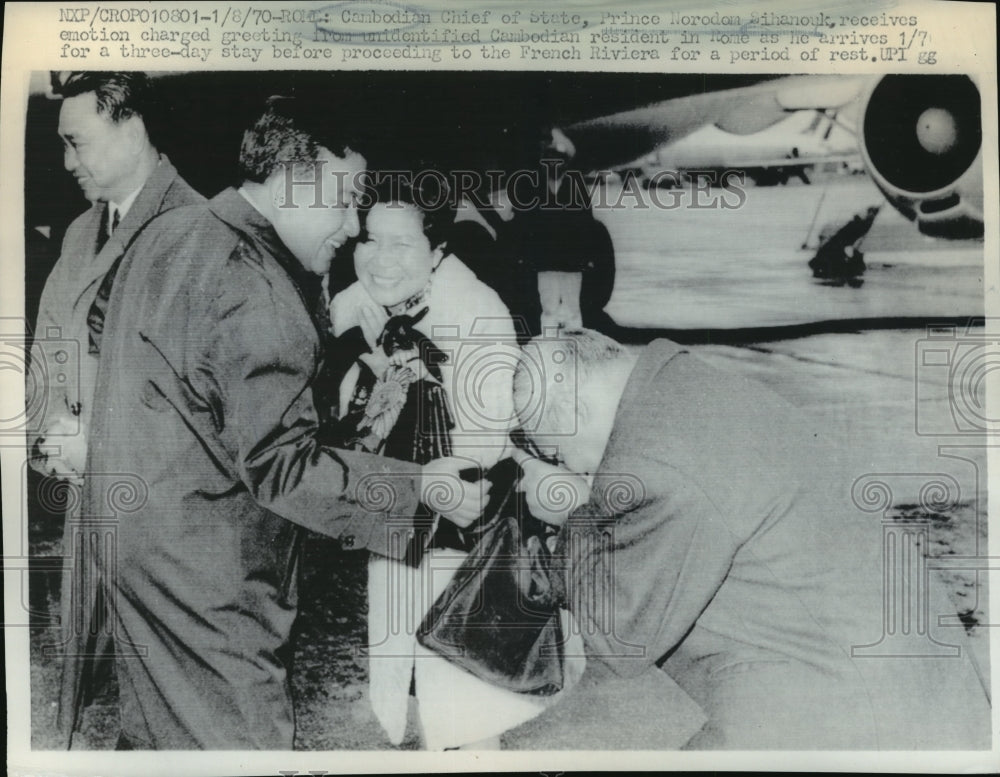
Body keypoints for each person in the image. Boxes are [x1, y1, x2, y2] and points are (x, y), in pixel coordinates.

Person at [58, 97, 486, 750]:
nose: (350, 225)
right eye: (344, 199)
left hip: (134, 553)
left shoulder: (169, 231)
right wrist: (423, 486)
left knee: (158, 748)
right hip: (206, 586)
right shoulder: (257, 287)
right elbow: (282, 466)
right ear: (291, 182)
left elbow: (110, 330)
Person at [507, 328, 990, 749]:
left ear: (578, 410)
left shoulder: (654, 465)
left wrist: (576, 514)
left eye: (556, 452)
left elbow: (615, 644)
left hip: (854, 707)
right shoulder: (683, 386)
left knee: (620, 722)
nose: (567, 467)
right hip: (911, 672)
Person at [324, 181, 574, 749]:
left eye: (402, 245)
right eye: (369, 239)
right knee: (409, 678)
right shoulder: (350, 305)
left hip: (467, 533)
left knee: (464, 692)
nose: (381, 260)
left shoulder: (478, 314)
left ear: (437, 250)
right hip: (395, 524)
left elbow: (487, 452)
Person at [29, 71, 203, 482]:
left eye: (77, 143)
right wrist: (54, 433)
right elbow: (50, 346)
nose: (67, 162)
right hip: (82, 486)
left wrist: (101, 450)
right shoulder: (79, 233)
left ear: (132, 134)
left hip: (161, 504)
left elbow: (202, 395)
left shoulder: (200, 231)